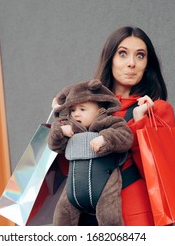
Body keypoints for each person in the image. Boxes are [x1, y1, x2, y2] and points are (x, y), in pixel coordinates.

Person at [92, 26, 175, 225]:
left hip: (136, 218)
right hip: (90, 217)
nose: (131, 63)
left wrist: (140, 123)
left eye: (140, 56)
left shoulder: (158, 111)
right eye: (122, 54)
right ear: (110, 59)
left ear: (147, 64)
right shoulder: (89, 110)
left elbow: (159, 174)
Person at [48, 79, 133, 226]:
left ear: (100, 110)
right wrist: (60, 132)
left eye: (82, 109)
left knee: (110, 218)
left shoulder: (110, 122)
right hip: (73, 190)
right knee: (61, 218)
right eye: (73, 110)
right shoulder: (69, 128)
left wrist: (105, 138)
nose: (76, 115)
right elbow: (54, 146)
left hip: (104, 187)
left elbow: (126, 137)